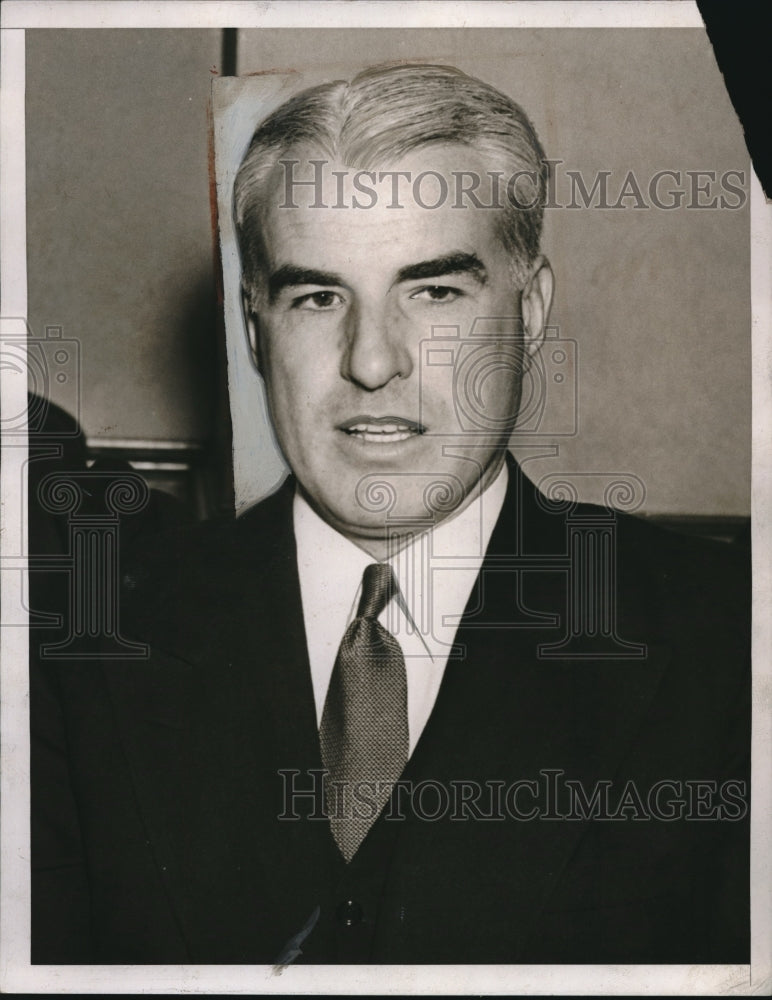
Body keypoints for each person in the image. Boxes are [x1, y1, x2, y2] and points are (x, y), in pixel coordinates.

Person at [31, 63, 750, 965]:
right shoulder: (85, 644)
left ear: (529, 313)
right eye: (317, 296)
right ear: (256, 331)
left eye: (435, 291)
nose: (373, 361)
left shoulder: (727, 636)